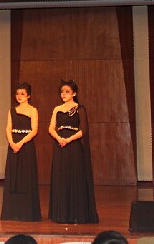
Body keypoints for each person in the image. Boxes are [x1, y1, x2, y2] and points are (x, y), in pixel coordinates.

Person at [47, 79, 98, 224]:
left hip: (74, 146)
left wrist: (68, 140)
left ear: (74, 93)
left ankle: (75, 214)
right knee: (61, 177)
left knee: (74, 178)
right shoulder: (57, 109)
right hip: (60, 146)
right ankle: (61, 214)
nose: (63, 94)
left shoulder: (79, 109)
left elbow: (83, 130)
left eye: (67, 92)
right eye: (62, 92)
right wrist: (59, 138)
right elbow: (51, 128)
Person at [0, 82, 41, 221]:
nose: (19, 96)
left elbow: (34, 130)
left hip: (26, 145)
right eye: (17, 94)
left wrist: (21, 143)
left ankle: (27, 212)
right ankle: (12, 212)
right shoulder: (12, 110)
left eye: (22, 94)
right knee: (14, 176)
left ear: (28, 95)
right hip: (14, 145)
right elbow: (8, 128)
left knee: (26, 176)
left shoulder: (33, 110)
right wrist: (12, 143)